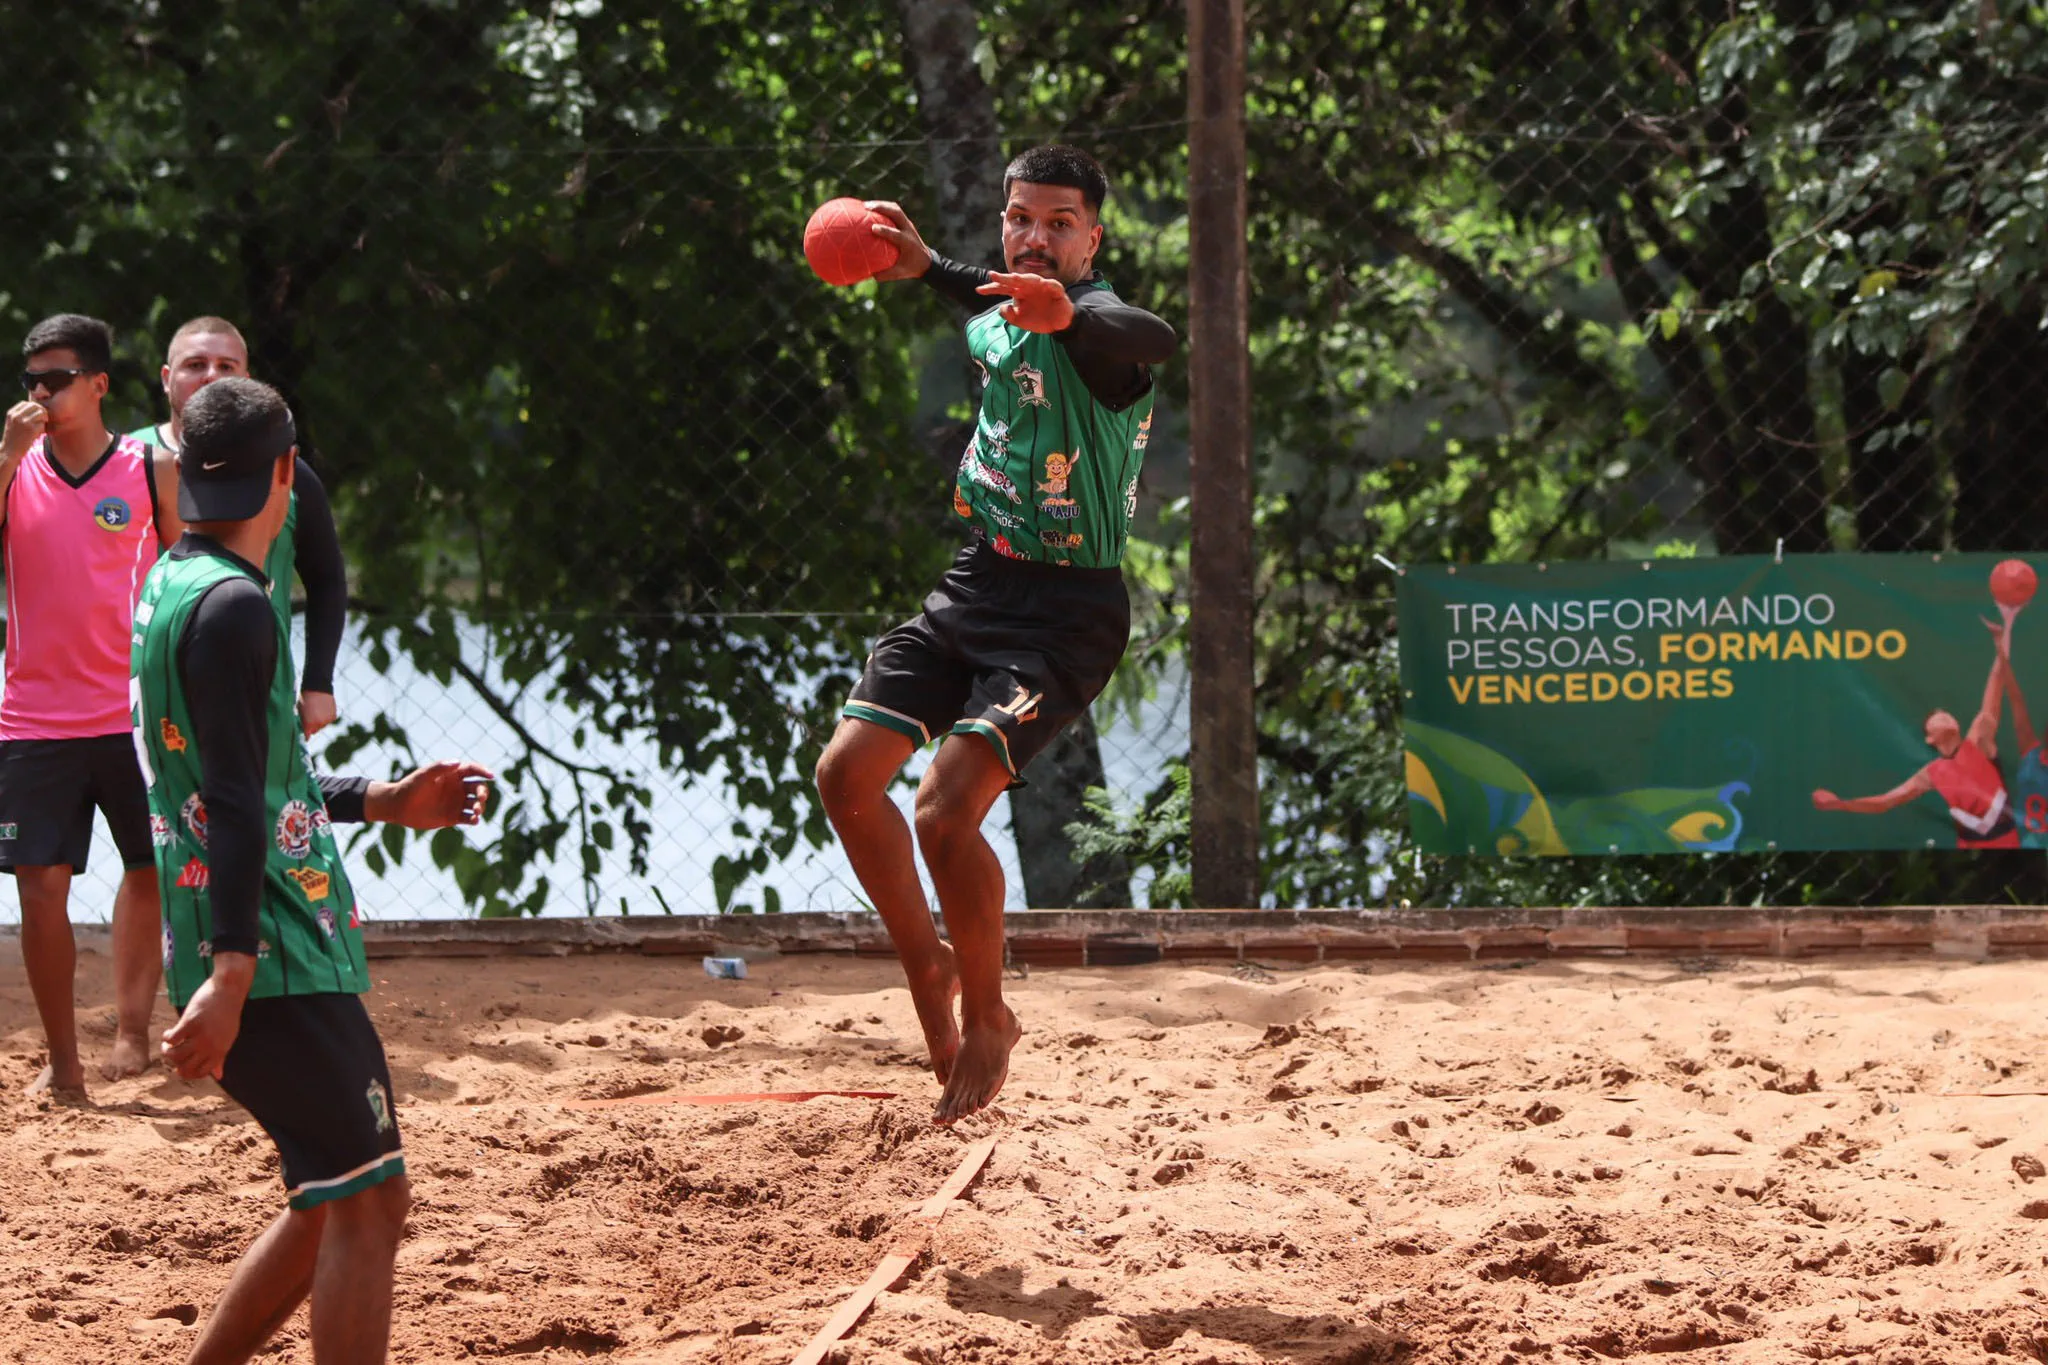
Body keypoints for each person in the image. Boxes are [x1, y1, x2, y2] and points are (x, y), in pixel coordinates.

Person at [814, 145, 1177, 1124]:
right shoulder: (998, 311)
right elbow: (990, 293)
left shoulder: (1102, 340)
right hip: (978, 583)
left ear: (1092, 238)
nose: (1035, 235)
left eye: (1060, 222)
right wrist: (926, 264)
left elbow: (1152, 334)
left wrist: (1071, 309)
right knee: (845, 776)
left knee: (942, 809)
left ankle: (987, 1013)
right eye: (1021, 217)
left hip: (1066, 613)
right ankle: (924, 967)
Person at [134, 376, 492, 1365]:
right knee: (371, 1199)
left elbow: (250, 777)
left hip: (240, 939)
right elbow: (240, 804)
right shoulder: (240, 610)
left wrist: (382, 800)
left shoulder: (171, 584)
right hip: (273, 952)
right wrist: (233, 971)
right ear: (287, 472)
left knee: (332, 1194)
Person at [0, 313, 183, 1095]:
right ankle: (64, 1063)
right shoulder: (13, 467)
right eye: (30, 380)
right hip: (32, 719)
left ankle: (136, 1030)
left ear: (99, 383)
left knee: (152, 868)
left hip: (134, 715)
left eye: (58, 378)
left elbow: (185, 581)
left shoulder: (149, 469)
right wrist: (6, 459)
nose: (41, 392)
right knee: (40, 886)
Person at [129, 316, 347, 738]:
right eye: (195, 364)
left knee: (261, 803)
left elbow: (326, 578)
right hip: (146, 695)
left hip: (260, 693)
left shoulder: (288, 472)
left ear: (246, 378)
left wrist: (319, 682)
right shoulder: (125, 462)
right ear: (166, 377)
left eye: (226, 366)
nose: (211, 375)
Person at [1811, 623, 2019, 848]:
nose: (1945, 716)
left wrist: (2002, 639)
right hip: (1969, 847)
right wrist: (1841, 804)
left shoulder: (1979, 739)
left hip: (2009, 845)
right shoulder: (1931, 774)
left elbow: (1997, 678)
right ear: (1930, 738)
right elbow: (1884, 802)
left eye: (1947, 714)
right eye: (1936, 717)